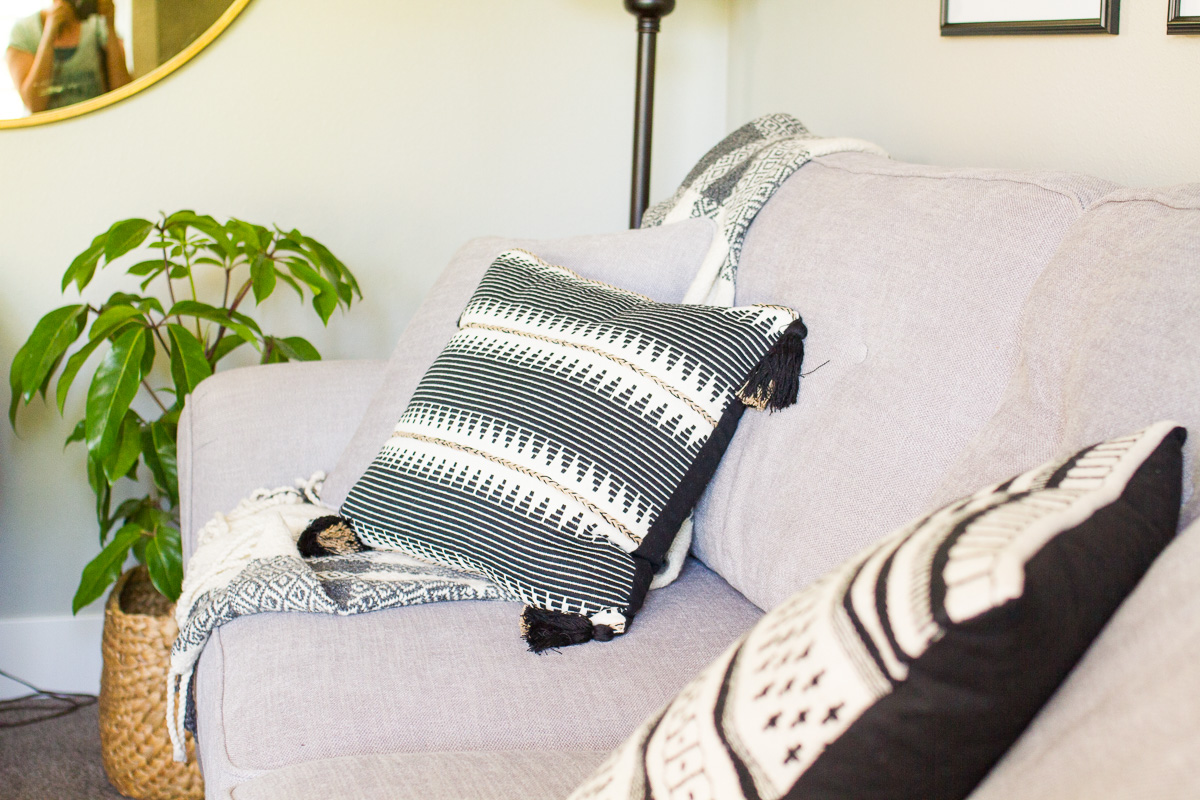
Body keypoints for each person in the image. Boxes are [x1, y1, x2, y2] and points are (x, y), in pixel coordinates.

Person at [6, 0, 130, 114]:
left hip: (95, 124)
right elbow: (34, 104)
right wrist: (49, 36)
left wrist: (110, 26)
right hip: (46, 131)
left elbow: (123, 92)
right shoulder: (24, 31)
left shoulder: (97, 26)